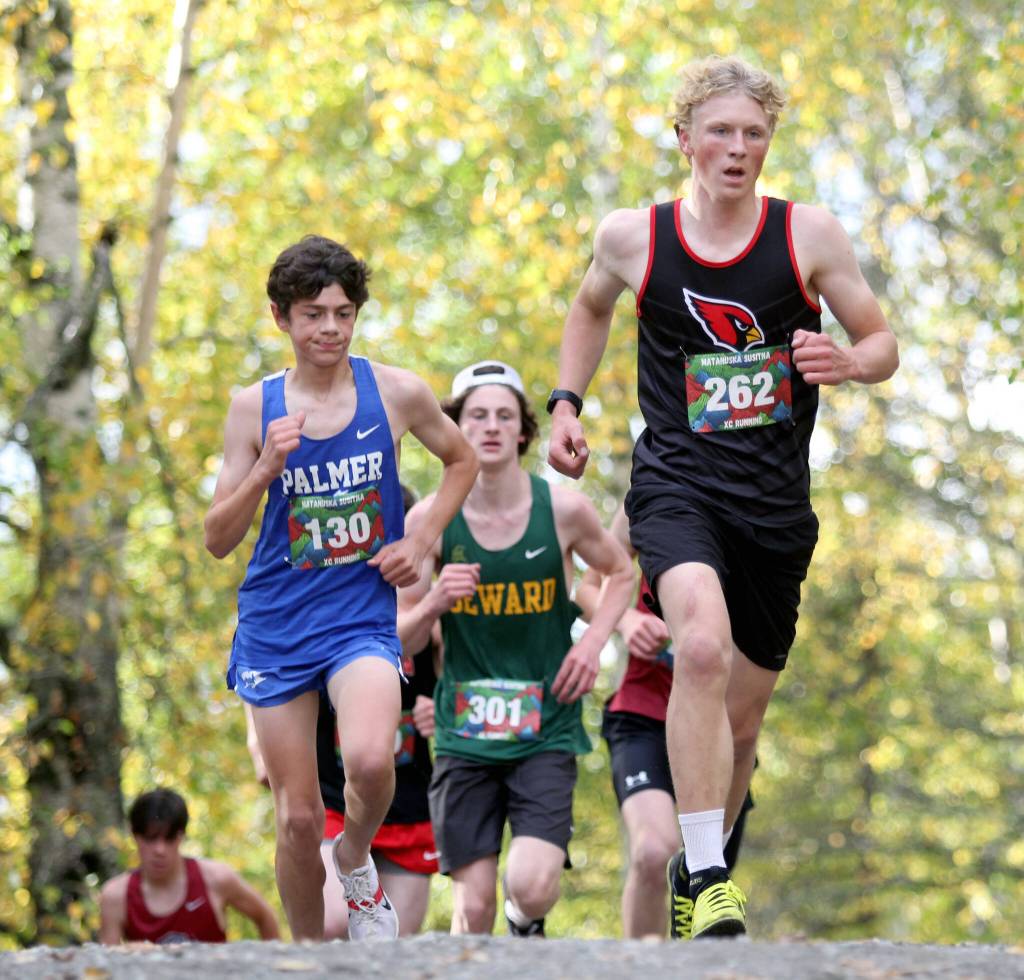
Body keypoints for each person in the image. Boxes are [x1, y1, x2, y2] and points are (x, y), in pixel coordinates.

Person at [547, 55, 898, 939]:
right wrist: (565, 403)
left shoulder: (807, 235)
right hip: (677, 482)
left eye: (754, 133)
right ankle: (706, 873)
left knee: (741, 730)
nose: (738, 149)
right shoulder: (633, 238)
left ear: (768, 142)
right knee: (698, 647)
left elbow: (882, 341)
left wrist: (849, 362)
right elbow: (590, 309)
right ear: (685, 140)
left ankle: (699, 870)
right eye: (720, 132)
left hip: (775, 507)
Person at [204, 235, 478, 941]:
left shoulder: (395, 392)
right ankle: (308, 956)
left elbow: (461, 460)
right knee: (298, 818)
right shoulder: (253, 408)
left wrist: (419, 537)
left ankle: (354, 858)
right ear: (281, 318)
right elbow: (217, 537)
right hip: (276, 625)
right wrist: (264, 470)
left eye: (343, 313)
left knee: (370, 760)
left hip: (359, 618)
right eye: (313, 314)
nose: (330, 328)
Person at [398, 360, 634, 937]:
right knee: (473, 907)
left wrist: (592, 644)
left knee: (530, 885)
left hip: (545, 727)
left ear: (525, 431)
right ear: (454, 427)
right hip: (464, 734)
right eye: (477, 416)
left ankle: (524, 924)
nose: (491, 427)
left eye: (504, 416)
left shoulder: (563, 510)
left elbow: (621, 572)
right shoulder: (428, 520)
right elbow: (397, 638)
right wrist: (433, 605)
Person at [243, 487, 441, 940]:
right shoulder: (317, 605)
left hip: (408, 801)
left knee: (392, 946)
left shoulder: (434, 617)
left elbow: (460, 693)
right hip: (335, 797)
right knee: (333, 924)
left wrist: (441, 713)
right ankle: (314, 949)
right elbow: (261, 668)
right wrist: (258, 744)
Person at [576, 503, 753, 939]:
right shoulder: (656, 489)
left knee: (709, 874)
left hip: (719, 728)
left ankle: (695, 962)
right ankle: (644, 964)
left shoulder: (755, 495)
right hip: (642, 715)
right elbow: (587, 589)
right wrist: (627, 621)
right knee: (654, 852)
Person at [98, 788, 279, 944]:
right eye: (150, 839)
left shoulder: (216, 879)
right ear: (135, 836)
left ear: (182, 836)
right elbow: (107, 961)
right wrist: (129, 952)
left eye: (170, 838)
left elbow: (266, 917)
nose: (160, 850)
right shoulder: (116, 896)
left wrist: (274, 966)